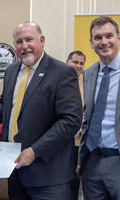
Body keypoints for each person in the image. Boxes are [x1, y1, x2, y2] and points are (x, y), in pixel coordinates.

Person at [0, 21, 83, 200]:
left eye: (29, 39)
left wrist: (34, 150)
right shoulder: (11, 71)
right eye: (19, 42)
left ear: (42, 40)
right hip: (15, 171)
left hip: (49, 177)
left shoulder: (62, 72)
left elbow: (70, 121)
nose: (24, 46)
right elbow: (6, 102)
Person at [77, 16, 120, 200]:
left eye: (109, 36)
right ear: (91, 43)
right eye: (98, 38)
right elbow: (88, 118)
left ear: (118, 38)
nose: (104, 42)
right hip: (91, 161)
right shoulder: (88, 73)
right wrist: (81, 160)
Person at [66, 50, 86, 200]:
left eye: (81, 63)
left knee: (75, 179)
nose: (78, 66)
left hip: (79, 143)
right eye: (75, 62)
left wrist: (79, 130)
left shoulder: (86, 83)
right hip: (61, 142)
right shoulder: (59, 79)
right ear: (67, 62)